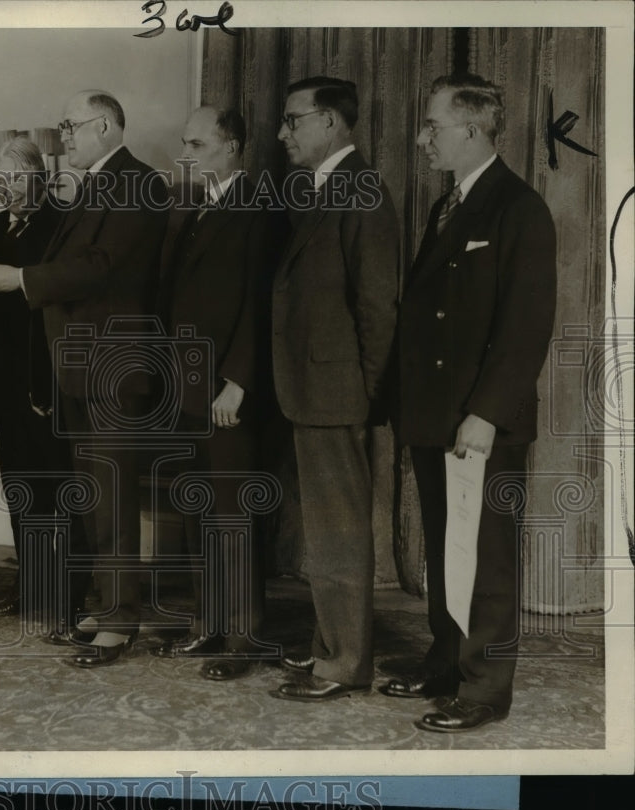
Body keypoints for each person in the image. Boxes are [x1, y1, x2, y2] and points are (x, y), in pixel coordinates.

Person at [385, 74, 556, 732]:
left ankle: (485, 688)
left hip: (480, 418)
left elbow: (525, 326)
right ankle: (447, 656)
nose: (422, 138)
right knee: (444, 544)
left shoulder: (517, 208)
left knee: (485, 554)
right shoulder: (448, 206)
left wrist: (485, 412)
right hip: (437, 411)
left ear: (474, 130)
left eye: (433, 126)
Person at [0, 90, 169, 667]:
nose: (64, 136)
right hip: (84, 367)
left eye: (71, 126)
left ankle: (119, 619)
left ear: (104, 126)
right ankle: (110, 605)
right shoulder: (99, 185)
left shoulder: (138, 183)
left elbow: (103, 268)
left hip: (111, 366)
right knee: (96, 499)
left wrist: (23, 280)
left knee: (110, 496)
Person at [267, 78, 399, 702]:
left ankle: (344, 662)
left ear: (328, 122)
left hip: (336, 392)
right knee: (324, 534)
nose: (283, 134)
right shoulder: (322, 188)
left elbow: (377, 307)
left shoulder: (361, 190)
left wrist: (362, 397)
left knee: (339, 534)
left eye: (293, 121)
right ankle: (331, 648)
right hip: (314, 389)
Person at [151, 106, 282, 680]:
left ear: (232, 147)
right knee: (199, 514)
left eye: (198, 144)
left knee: (232, 517)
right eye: (184, 144)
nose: (187, 155)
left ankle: (243, 637)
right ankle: (208, 624)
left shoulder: (262, 208)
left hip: (228, 392)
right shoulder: (196, 206)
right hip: (188, 388)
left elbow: (262, 304)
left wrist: (239, 382)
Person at [0, 137, 89, 622]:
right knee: (19, 483)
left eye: (12, 177)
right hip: (5, 381)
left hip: (48, 381)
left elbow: (62, 308)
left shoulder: (63, 221)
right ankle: (32, 586)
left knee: (58, 484)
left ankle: (72, 592)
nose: (3, 187)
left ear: (38, 176)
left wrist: (46, 383)